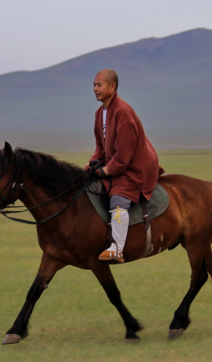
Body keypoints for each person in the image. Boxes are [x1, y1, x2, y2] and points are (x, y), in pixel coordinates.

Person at [84, 69, 163, 263]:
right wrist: (93, 164)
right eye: (94, 85)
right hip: (119, 163)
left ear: (112, 87)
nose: (95, 89)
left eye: (99, 85)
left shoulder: (123, 112)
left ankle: (117, 248)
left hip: (136, 167)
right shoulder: (99, 113)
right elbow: (101, 148)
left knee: (118, 197)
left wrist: (106, 170)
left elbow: (124, 155)